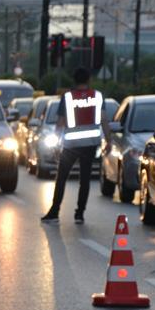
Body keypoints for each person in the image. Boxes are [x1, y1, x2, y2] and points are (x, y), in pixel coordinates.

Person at [41, 67, 109, 225]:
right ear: (89, 80)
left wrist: (56, 143)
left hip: (71, 145)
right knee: (84, 179)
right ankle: (79, 214)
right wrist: (109, 141)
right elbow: (104, 120)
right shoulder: (97, 96)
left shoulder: (68, 97)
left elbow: (60, 122)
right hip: (90, 144)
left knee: (62, 178)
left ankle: (54, 212)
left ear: (74, 80)